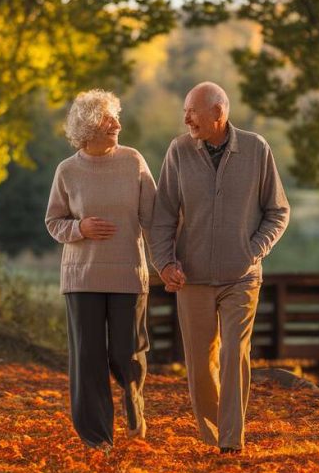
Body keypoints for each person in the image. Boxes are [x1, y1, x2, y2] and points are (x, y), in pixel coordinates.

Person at [150, 81, 290, 453]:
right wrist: (164, 263)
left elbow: (278, 210)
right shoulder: (178, 151)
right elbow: (162, 214)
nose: (186, 119)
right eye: (185, 111)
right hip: (192, 276)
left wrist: (254, 250)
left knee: (233, 354)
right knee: (199, 364)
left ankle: (231, 442)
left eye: (192, 111)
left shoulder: (256, 149)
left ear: (218, 112)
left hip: (241, 276)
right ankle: (214, 437)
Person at [45, 89, 155, 452]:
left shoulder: (133, 161)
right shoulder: (68, 170)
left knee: (128, 352)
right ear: (90, 126)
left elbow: (155, 217)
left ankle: (133, 399)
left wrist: (168, 261)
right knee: (87, 359)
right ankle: (97, 438)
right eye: (110, 120)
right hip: (82, 277)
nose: (118, 125)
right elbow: (54, 221)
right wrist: (80, 229)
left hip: (127, 272)